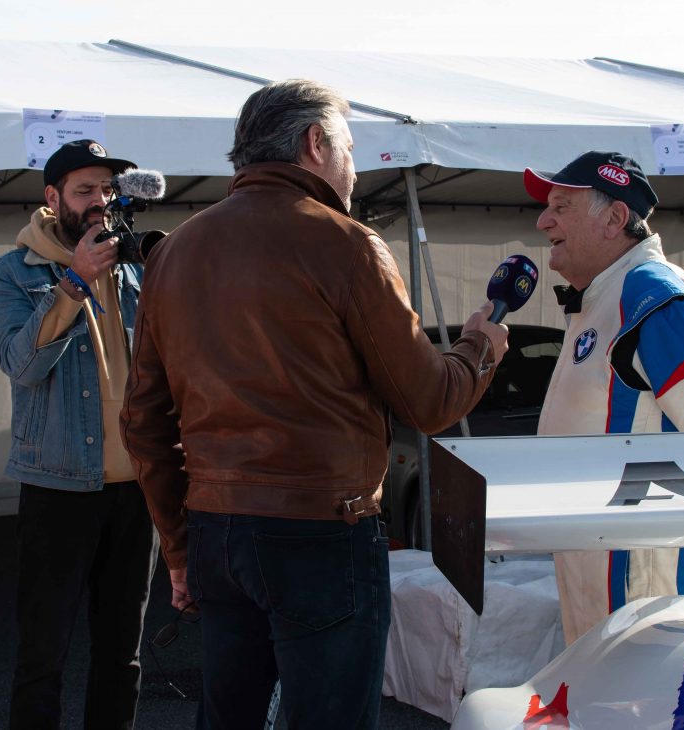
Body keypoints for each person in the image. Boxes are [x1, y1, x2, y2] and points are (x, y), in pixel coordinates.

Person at [120, 79, 509, 730]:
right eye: (350, 149)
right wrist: (481, 344)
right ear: (314, 143)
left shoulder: (176, 251)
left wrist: (182, 549)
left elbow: (142, 420)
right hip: (323, 532)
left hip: (218, 531)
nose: (354, 168)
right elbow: (431, 401)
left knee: (228, 718)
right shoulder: (348, 245)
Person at [524, 150, 684, 645]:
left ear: (614, 219)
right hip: (602, 558)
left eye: (561, 207)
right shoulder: (606, 293)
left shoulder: (651, 294)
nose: (543, 221)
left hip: (642, 572)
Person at [0, 139, 158, 730]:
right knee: (42, 656)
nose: (100, 202)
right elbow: (22, 364)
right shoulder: (12, 272)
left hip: (137, 489)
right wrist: (74, 284)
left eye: (107, 190)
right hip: (57, 485)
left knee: (122, 655)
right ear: (52, 197)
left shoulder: (132, 267)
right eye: (85, 190)